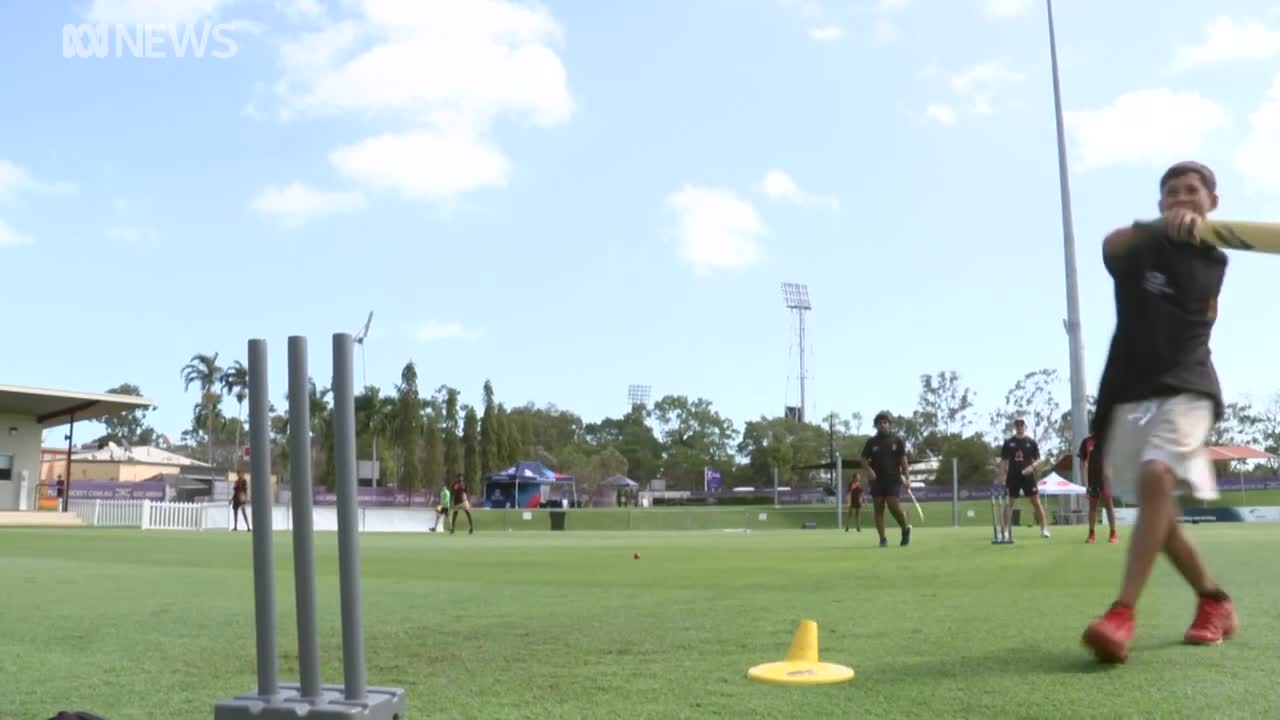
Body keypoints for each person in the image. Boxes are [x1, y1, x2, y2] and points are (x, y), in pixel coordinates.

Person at [1080, 160, 1237, 664]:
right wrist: (1155, 229)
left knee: (1156, 474)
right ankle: (1214, 601)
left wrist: (1183, 232)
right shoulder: (1140, 242)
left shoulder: (1212, 259)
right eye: (1171, 193)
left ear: (1213, 201)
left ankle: (1121, 613)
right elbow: (1109, 245)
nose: (1181, 198)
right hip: (1129, 389)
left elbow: (1187, 280)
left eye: (1192, 191)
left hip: (1188, 387)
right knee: (1158, 512)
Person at [859, 411, 911, 547]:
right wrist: (869, 470)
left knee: (893, 505)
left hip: (893, 478)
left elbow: (904, 461)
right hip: (876, 481)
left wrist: (907, 478)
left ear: (890, 425)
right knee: (879, 508)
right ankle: (883, 539)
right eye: (879, 423)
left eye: (885, 423)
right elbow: (863, 459)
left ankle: (905, 529)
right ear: (876, 426)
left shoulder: (897, 440)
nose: (882, 425)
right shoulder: (871, 442)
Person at [1000, 418, 1048, 539]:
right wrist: (1002, 476)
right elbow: (1003, 461)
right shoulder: (1008, 443)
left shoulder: (1031, 442)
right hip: (1013, 476)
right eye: (1017, 425)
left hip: (1028, 477)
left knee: (1036, 502)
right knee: (1009, 503)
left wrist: (1031, 467)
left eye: (1021, 425)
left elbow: (1038, 460)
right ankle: (1005, 532)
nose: (1019, 427)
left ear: (1025, 427)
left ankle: (1044, 530)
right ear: (1015, 427)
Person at [1079, 432, 1117, 544]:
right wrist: (1084, 485)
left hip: (1106, 480)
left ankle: (1113, 534)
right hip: (1092, 481)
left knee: (1109, 506)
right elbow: (1082, 464)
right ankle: (1091, 534)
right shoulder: (1086, 442)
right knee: (1092, 507)